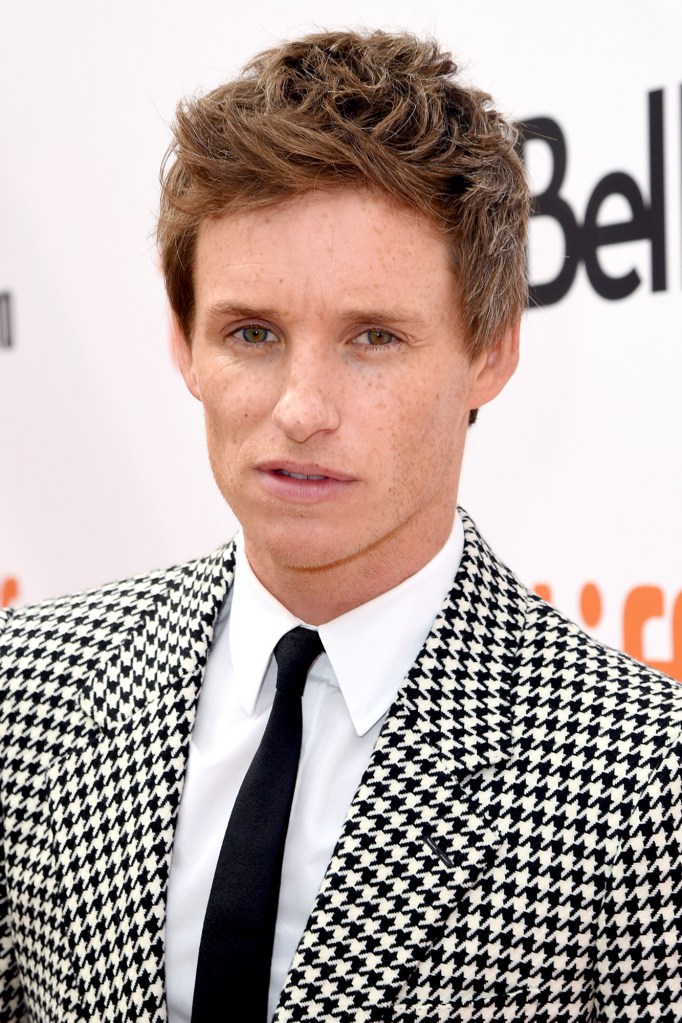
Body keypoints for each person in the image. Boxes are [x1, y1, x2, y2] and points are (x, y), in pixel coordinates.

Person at [0, 28, 680, 1023]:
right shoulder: (27, 689)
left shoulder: (640, 789)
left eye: (373, 337)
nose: (302, 407)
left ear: (489, 351)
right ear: (182, 340)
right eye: (252, 334)